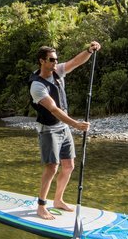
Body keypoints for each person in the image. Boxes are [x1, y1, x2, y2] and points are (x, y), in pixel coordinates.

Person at [28, 41, 100, 220]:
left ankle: (58, 200)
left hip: (63, 127)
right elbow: (53, 109)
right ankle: (41, 206)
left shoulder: (57, 71)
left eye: (56, 59)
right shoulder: (37, 86)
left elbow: (75, 62)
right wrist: (76, 124)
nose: (55, 63)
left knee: (69, 166)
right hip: (48, 129)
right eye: (51, 60)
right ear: (42, 61)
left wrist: (89, 51)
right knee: (52, 167)